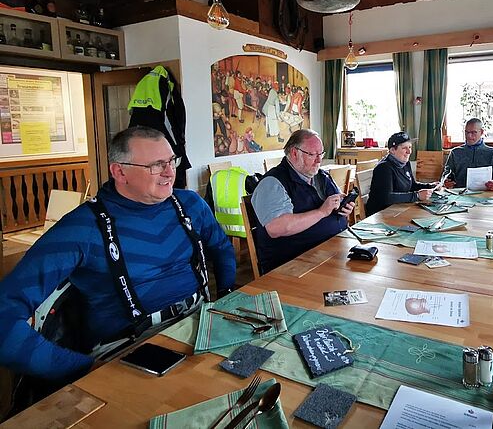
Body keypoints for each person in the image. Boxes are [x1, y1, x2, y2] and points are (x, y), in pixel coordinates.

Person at [0, 126, 235, 384]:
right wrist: (79, 368)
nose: (170, 172)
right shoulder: (81, 228)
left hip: (200, 324)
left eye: (171, 160)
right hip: (128, 351)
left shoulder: (190, 204)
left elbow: (222, 247)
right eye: (156, 165)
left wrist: (225, 297)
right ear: (120, 172)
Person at [251, 129, 355, 273]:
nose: (319, 160)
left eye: (321, 154)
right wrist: (321, 212)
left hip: (333, 250)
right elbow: (276, 228)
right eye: (312, 155)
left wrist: (343, 208)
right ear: (294, 153)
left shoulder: (321, 176)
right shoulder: (272, 183)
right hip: (294, 264)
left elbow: (335, 203)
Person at [366, 132, 435, 216]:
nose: (409, 151)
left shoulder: (405, 163)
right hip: (381, 214)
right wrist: (417, 196)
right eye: (404, 148)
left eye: (410, 147)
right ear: (392, 150)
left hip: (398, 209)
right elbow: (386, 198)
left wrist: (430, 186)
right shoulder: (384, 168)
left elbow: (412, 186)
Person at [443, 118, 493, 190]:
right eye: (467, 132)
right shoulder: (455, 152)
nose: (469, 136)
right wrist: (446, 181)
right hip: (460, 193)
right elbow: (446, 175)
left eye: (473, 132)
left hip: (486, 193)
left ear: (481, 132)